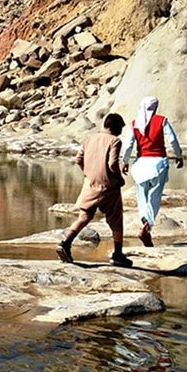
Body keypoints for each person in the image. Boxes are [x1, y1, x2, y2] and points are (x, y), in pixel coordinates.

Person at [58, 113, 132, 267]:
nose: (120, 132)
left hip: (90, 184)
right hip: (108, 187)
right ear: (116, 127)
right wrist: (119, 179)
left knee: (84, 217)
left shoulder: (89, 139)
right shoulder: (115, 141)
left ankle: (65, 243)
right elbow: (112, 163)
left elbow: (79, 159)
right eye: (120, 128)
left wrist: (88, 172)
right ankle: (118, 254)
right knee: (116, 220)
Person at [121, 96, 183, 247]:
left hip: (141, 165)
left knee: (142, 198)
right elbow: (172, 139)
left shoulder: (135, 123)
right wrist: (179, 155)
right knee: (154, 198)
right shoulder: (161, 121)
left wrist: (125, 161)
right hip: (158, 164)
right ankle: (147, 226)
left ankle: (145, 224)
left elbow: (128, 145)